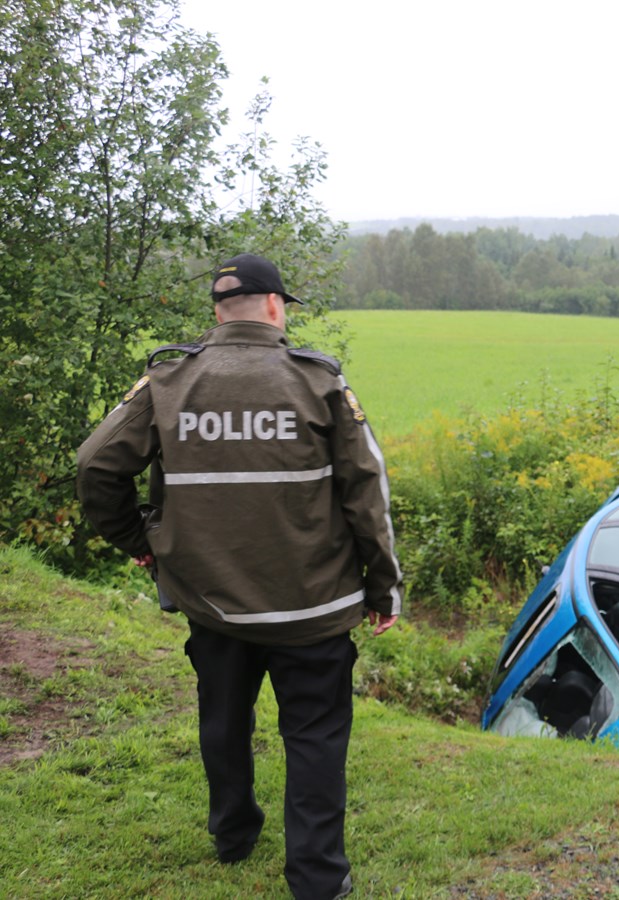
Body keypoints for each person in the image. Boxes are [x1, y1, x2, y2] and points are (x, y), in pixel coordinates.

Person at [77, 253, 404, 899]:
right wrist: (383, 585)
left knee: (224, 722)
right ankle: (318, 878)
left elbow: (95, 464)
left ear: (218, 311)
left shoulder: (170, 380)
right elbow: (367, 493)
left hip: (213, 604)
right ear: (277, 307)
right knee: (315, 737)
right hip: (315, 608)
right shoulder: (320, 381)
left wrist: (142, 542)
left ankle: (233, 835)